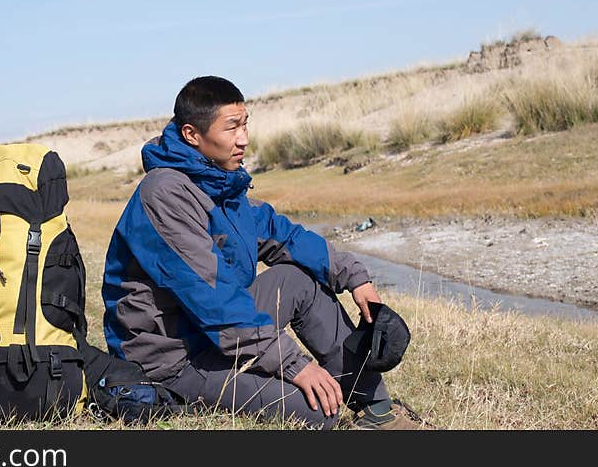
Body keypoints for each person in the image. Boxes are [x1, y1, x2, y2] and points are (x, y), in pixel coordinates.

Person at [101, 76, 432, 429]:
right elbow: (216, 301)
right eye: (231, 128)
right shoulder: (165, 194)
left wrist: (356, 277)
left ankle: (377, 411)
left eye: (245, 124)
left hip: (211, 336)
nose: (243, 139)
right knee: (320, 410)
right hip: (173, 359)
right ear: (191, 135)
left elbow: (284, 235)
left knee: (297, 278)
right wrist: (295, 365)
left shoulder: (219, 183)